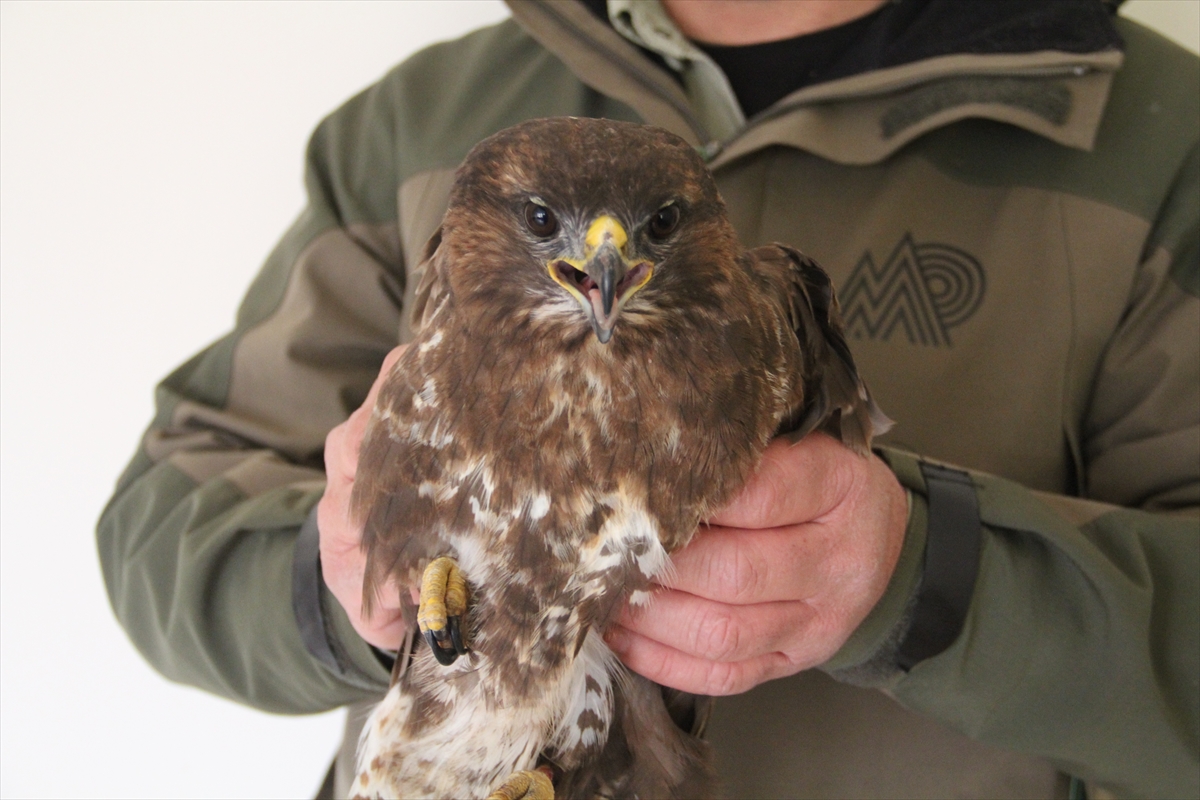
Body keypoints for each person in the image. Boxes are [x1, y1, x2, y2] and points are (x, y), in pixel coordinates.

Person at [97, 0, 1199, 797]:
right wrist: (338, 576)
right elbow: (165, 523)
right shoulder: (419, 122)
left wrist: (932, 580)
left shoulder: (1161, 142)